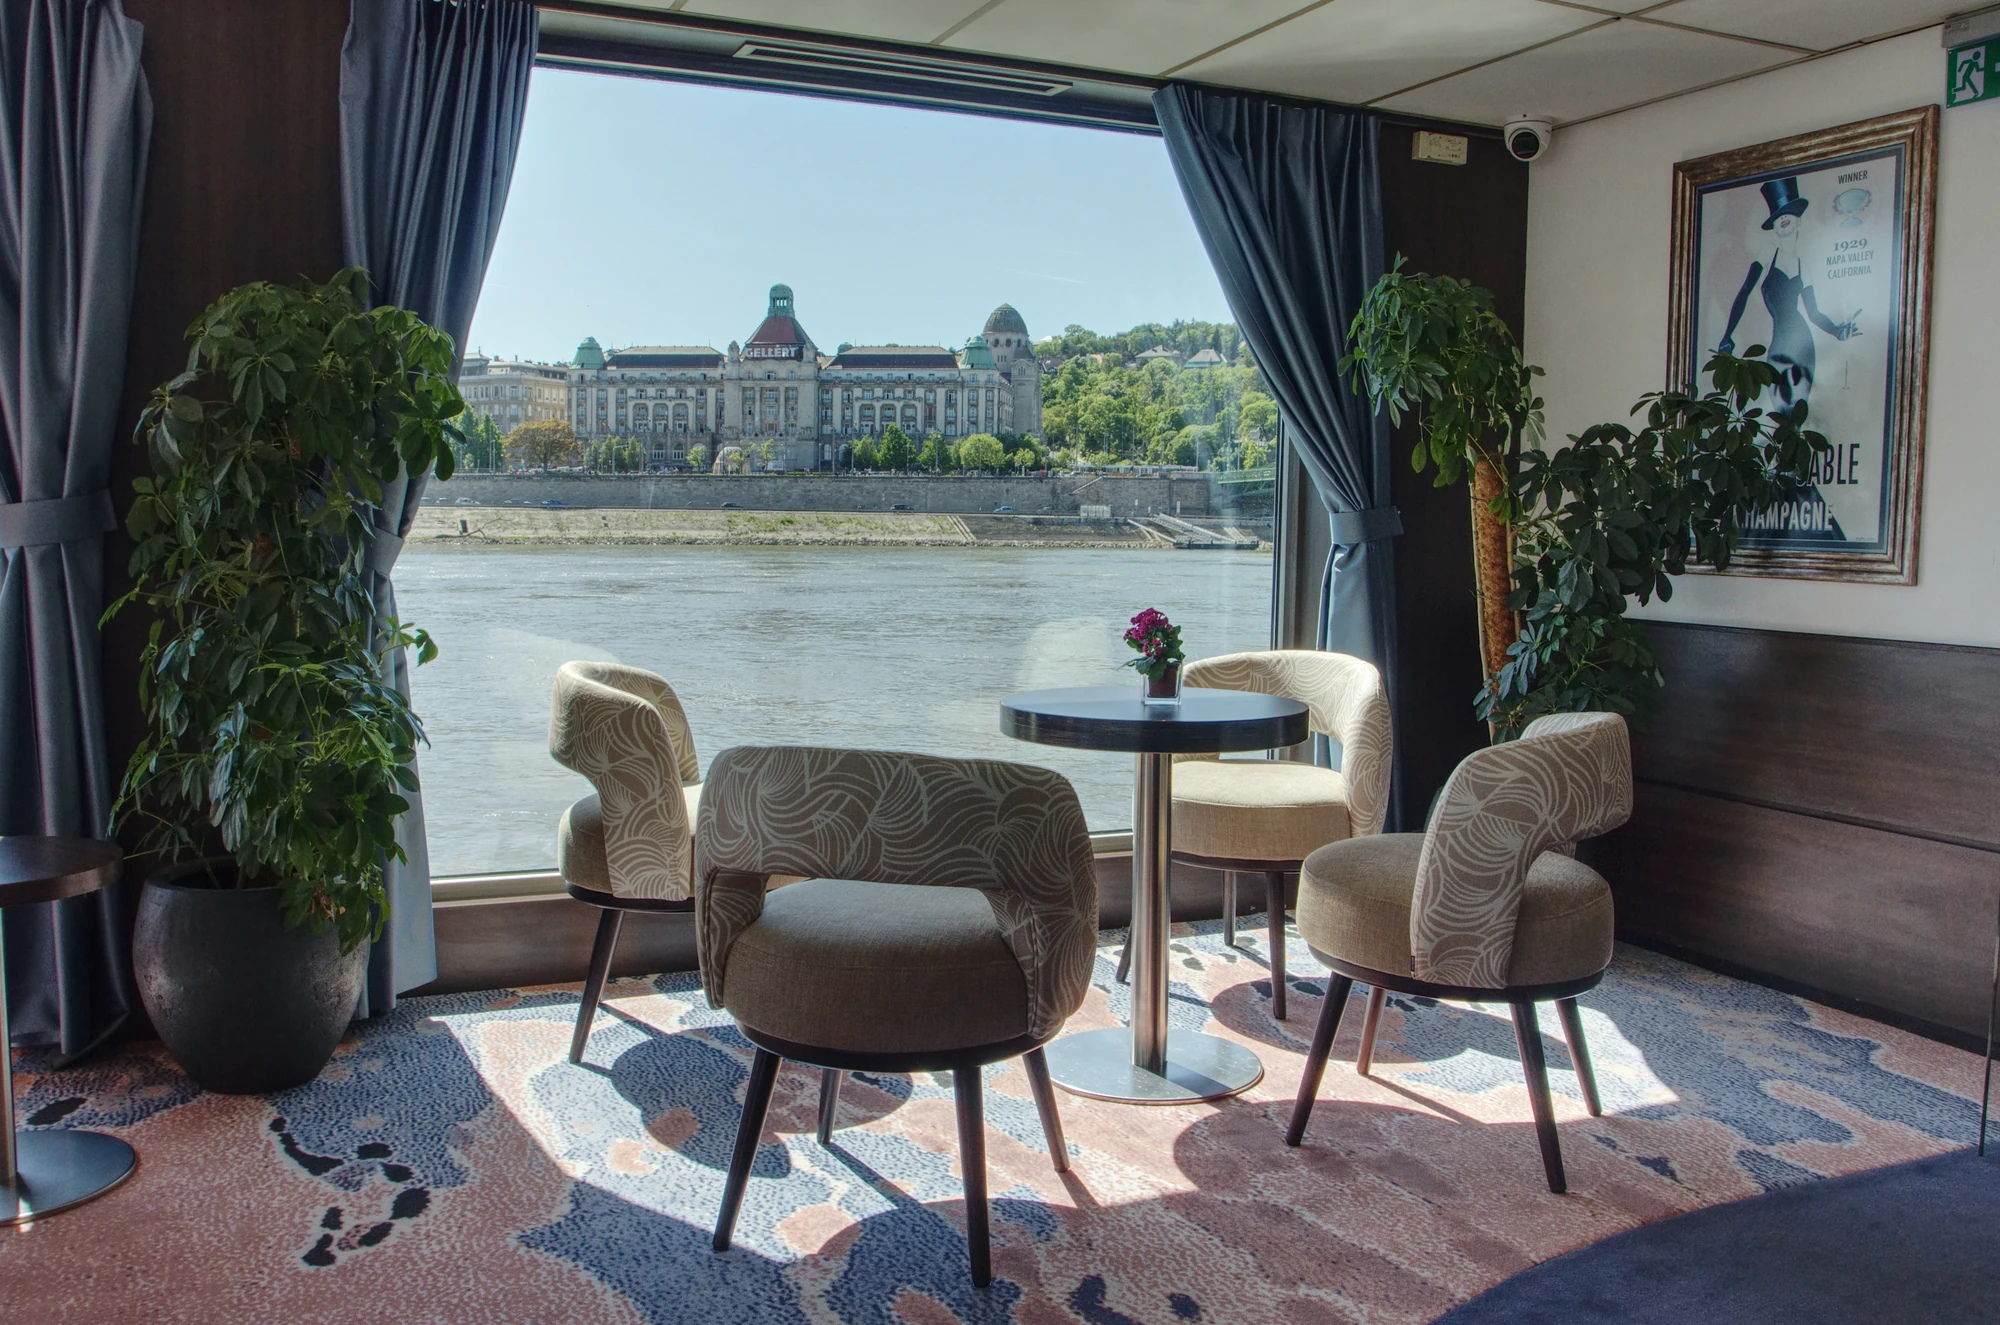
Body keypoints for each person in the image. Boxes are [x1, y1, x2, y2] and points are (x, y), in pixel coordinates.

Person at [1716, 176, 1861, 423]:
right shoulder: (1767, 252)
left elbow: (1814, 314)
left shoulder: (1805, 263)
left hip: (1803, 343)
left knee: (1798, 411)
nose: (1783, 218)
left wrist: (1837, 331)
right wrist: (1727, 334)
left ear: (1798, 218)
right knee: (1779, 406)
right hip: (1779, 340)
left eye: (1789, 212)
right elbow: (1745, 292)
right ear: (1773, 224)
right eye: (1778, 215)